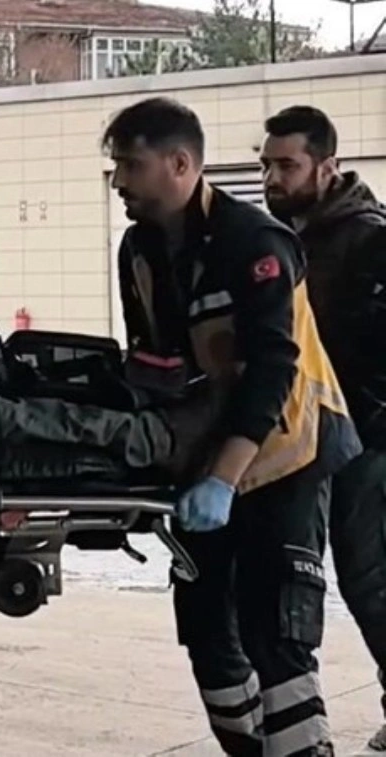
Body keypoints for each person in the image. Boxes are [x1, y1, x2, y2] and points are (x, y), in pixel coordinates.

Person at [105, 97, 360, 757]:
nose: (119, 181)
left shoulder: (255, 242)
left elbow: (274, 370)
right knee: (206, 632)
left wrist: (224, 476)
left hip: (285, 451)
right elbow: (154, 362)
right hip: (205, 453)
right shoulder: (139, 249)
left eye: (131, 165)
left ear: (180, 164)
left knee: (276, 632)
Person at [261, 105, 386, 752]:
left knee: (372, 578)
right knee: (304, 578)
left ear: (328, 166)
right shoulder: (281, 238)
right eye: (266, 165)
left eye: (287, 165)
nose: (271, 178)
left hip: (364, 438)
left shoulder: (370, 239)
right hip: (302, 439)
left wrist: (371, 418)